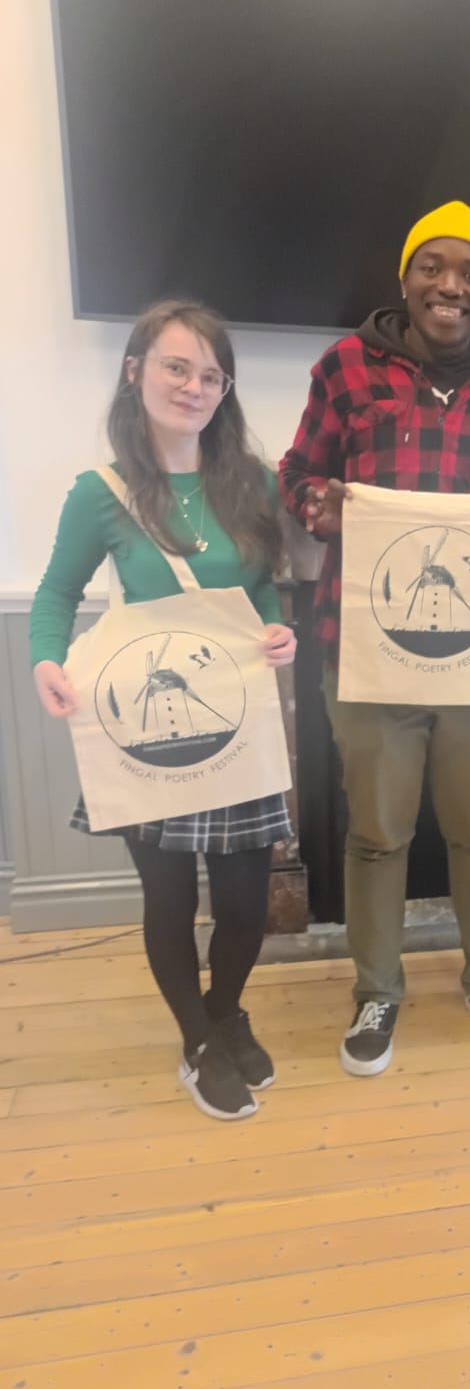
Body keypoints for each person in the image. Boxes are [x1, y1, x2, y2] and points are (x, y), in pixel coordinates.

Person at [278, 201, 470, 1077]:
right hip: (366, 651)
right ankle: (377, 991)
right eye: (434, 267)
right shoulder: (344, 368)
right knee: (378, 832)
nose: (450, 286)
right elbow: (297, 472)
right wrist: (315, 506)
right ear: (405, 278)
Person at [30, 299, 297, 1121]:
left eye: (212, 375)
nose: (194, 387)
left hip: (237, 722)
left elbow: (260, 589)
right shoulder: (101, 493)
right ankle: (198, 1041)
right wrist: (45, 659)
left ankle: (225, 1011)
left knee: (246, 905)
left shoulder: (253, 482)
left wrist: (276, 629)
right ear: (135, 371)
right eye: (177, 367)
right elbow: (56, 593)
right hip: (145, 736)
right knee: (171, 901)